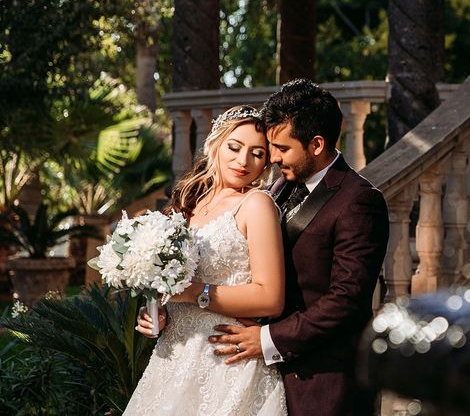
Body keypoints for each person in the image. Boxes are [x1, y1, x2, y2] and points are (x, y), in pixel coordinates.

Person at [142, 80, 389, 416]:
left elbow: (346, 301)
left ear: (316, 144)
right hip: (252, 366)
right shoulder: (279, 186)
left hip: (324, 379)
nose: (271, 158)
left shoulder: (359, 201)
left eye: (281, 149)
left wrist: (268, 339)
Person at [127, 105, 288, 415]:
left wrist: (194, 293)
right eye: (235, 147)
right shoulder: (192, 202)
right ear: (214, 144)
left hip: (224, 359)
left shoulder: (256, 204)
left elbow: (270, 297)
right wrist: (159, 312)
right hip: (174, 354)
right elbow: (175, 283)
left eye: (257, 153)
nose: (244, 161)